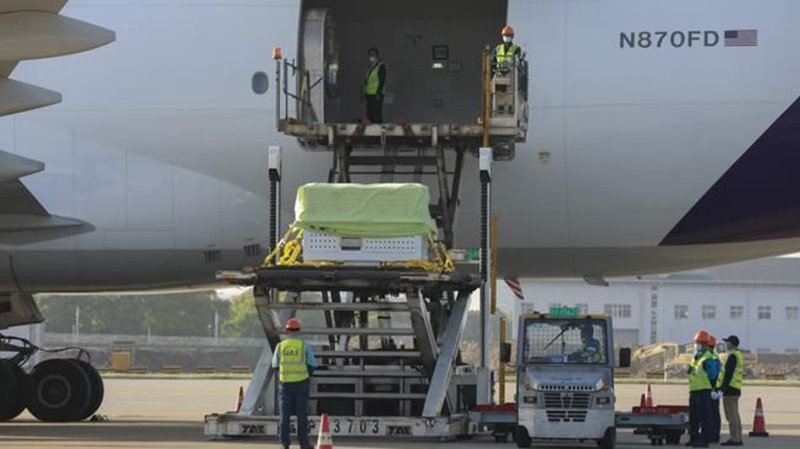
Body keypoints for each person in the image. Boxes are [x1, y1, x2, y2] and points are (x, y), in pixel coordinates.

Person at [271, 318, 318, 449]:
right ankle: (304, 443)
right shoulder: (304, 345)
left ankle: (284, 443)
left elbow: (275, 365)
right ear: (299, 330)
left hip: (285, 384)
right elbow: (313, 365)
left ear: (287, 330)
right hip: (301, 383)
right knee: (302, 415)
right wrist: (305, 374)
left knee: (284, 415)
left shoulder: (280, 346)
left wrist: (284, 375)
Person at [686, 330, 720, 448]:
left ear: (705, 344)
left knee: (705, 417)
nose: (696, 345)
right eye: (696, 343)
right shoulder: (696, 357)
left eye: (699, 343)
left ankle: (704, 440)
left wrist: (714, 389)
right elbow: (691, 371)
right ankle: (693, 438)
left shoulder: (708, 358)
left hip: (704, 391)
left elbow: (713, 376)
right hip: (694, 390)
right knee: (693, 417)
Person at [718, 335, 745, 446]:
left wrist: (722, 389)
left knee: (731, 416)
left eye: (727, 342)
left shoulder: (732, 356)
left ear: (732, 344)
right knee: (735, 415)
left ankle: (734, 439)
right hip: (736, 388)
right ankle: (738, 437)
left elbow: (728, 374)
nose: (726, 344)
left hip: (730, 389)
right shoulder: (739, 355)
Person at [362, 47, 386, 123]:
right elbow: (366, 82)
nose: (371, 56)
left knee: (376, 116)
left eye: (373, 54)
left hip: (376, 95)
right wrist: (364, 93)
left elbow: (382, 81)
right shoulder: (370, 68)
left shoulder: (381, 67)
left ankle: (378, 130)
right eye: (370, 54)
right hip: (369, 95)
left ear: (377, 55)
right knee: (370, 116)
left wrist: (378, 93)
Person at [707, 336, 722, 444]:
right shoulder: (716, 357)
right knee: (715, 412)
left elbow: (712, 375)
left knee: (709, 413)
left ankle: (710, 435)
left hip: (709, 387)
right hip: (716, 387)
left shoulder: (709, 357)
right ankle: (715, 435)